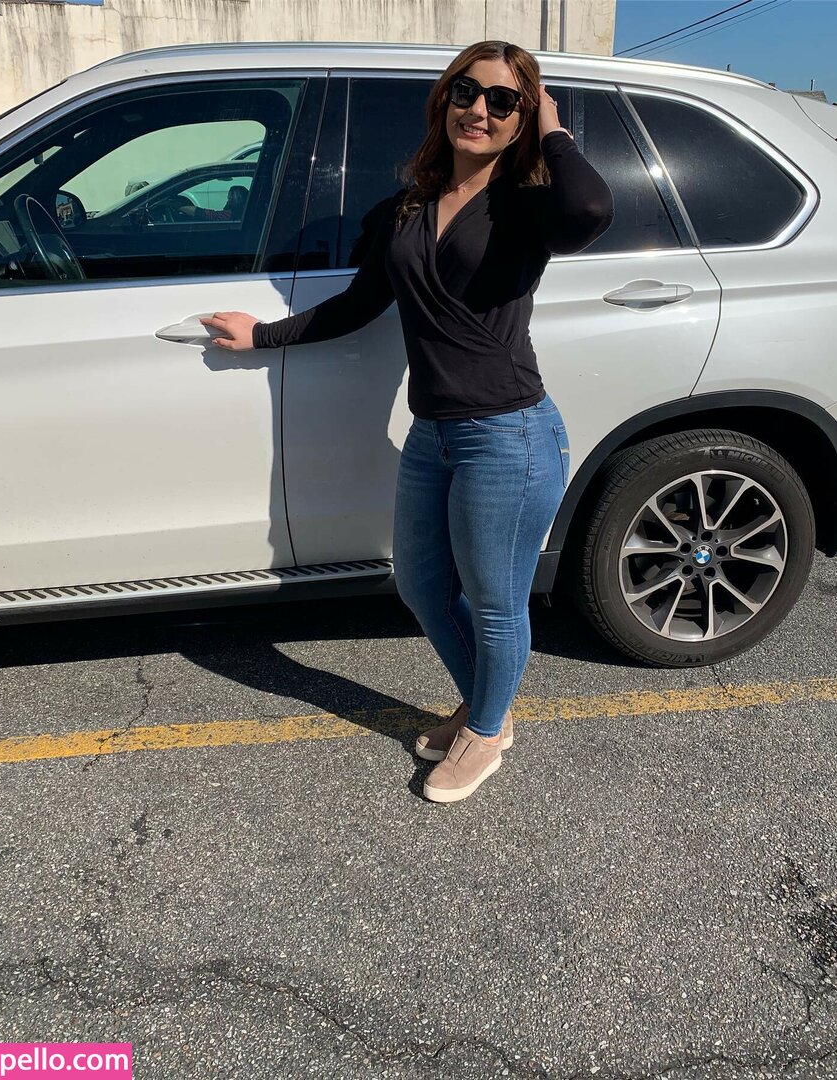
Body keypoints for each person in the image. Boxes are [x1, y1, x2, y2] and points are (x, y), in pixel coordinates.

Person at [200, 40, 614, 804]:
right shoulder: (408, 207)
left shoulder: (524, 206)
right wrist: (263, 335)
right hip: (433, 435)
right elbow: (360, 303)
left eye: (503, 101)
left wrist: (552, 126)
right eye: (465, 92)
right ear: (443, 99)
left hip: (509, 436)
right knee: (422, 585)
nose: (478, 110)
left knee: (496, 604)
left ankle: (484, 731)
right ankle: (486, 708)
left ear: (523, 117)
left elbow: (589, 208)